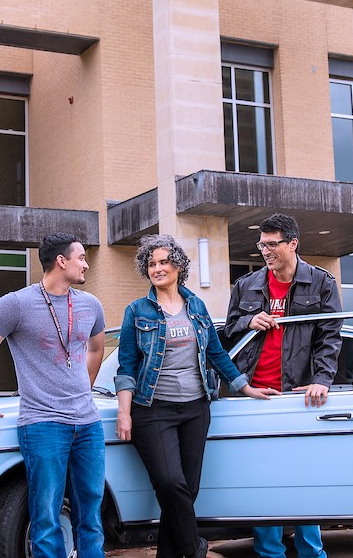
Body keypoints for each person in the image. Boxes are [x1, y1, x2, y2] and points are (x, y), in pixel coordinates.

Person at [115, 234, 276, 558]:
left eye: (163, 262)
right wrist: (124, 412)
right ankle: (195, 548)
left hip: (196, 409)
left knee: (187, 490)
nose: (157, 269)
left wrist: (244, 386)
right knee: (169, 482)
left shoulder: (197, 307)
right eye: (151, 264)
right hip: (153, 409)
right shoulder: (137, 311)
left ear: (178, 266)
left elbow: (216, 354)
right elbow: (127, 364)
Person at [0, 233, 107, 558]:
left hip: (88, 424)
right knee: (46, 515)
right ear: (61, 261)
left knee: (91, 512)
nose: (86, 265)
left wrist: (82, 388)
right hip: (43, 424)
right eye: (81, 258)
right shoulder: (16, 304)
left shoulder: (90, 304)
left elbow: (96, 348)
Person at [224, 213, 342, 558]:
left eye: (272, 244)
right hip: (255, 396)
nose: (265, 251)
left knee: (302, 478)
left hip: (298, 397)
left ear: (293, 243)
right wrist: (249, 320)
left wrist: (321, 380)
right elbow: (229, 329)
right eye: (262, 244)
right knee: (263, 481)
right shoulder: (245, 285)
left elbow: (330, 336)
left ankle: (312, 554)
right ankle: (269, 554)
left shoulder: (321, 282)